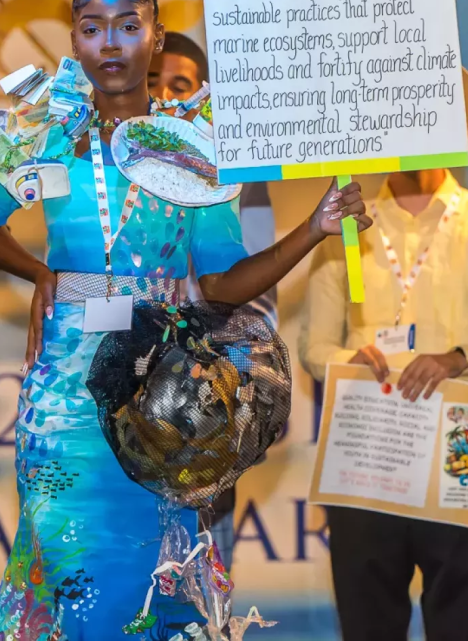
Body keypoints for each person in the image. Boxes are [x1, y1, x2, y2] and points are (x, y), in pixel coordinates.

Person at [0, 0, 370, 640]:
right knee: (80, 590)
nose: (109, 43)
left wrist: (314, 229)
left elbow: (220, 286)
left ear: (156, 29)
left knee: (159, 593)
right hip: (64, 405)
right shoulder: (44, 131)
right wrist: (39, 273)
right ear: (73, 32)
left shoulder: (194, 147)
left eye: (127, 23)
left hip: (171, 404)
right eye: (90, 26)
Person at [299, 74, 468, 641]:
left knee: (462, 621)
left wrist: (459, 357)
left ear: (453, 125)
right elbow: (313, 348)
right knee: (367, 623)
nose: (409, 125)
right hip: (368, 447)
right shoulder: (344, 230)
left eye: (425, 112)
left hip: (461, 450)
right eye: (395, 113)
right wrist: (348, 359)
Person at [148, 31, 276, 572]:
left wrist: (235, 387)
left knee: (198, 584)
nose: (168, 98)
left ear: (205, 95)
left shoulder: (237, 179)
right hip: (119, 396)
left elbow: (258, 302)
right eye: (155, 83)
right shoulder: (110, 168)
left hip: (202, 408)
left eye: (182, 85)